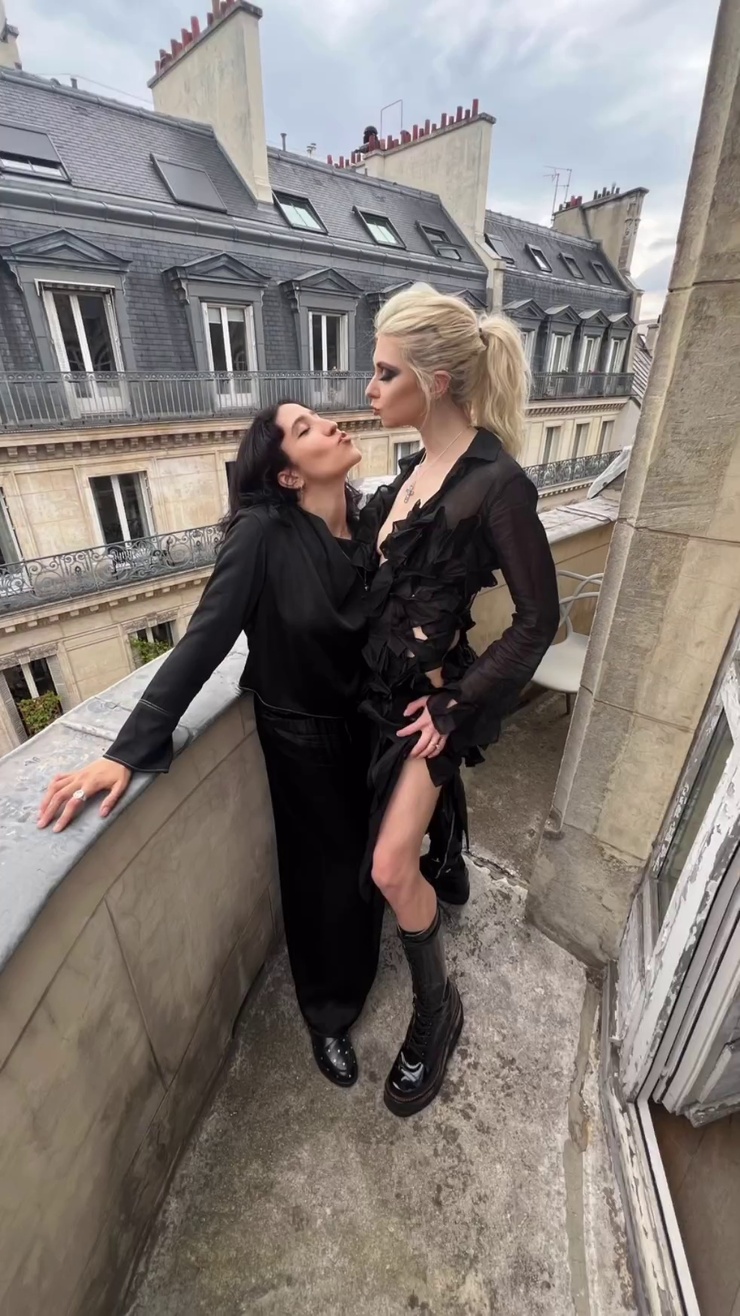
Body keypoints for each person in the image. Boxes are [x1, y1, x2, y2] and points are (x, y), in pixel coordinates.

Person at [37, 403, 389, 1089]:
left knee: (368, 857)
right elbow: (205, 638)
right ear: (287, 475)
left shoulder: (367, 520)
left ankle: (366, 965)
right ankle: (327, 1012)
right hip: (302, 738)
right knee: (320, 878)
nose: (331, 425)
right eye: (307, 428)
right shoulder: (261, 534)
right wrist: (126, 750)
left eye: (322, 419)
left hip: (368, 724)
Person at [359, 283, 561, 1117]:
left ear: (434, 381)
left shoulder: (496, 483)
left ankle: (437, 1011)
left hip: (431, 708)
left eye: (385, 373)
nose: (369, 388)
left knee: (387, 866)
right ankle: (450, 854)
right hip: (376, 693)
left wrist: (457, 705)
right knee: (386, 843)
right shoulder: (412, 472)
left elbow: (541, 619)